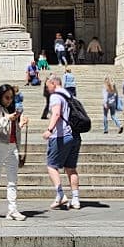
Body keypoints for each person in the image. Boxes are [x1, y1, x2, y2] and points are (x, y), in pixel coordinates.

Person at [0, 84, 27, 221]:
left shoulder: (13, 110)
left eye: (11, 98)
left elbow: (13, 130)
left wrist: (20, 123)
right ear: (0, 96)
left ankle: (12, 210)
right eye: (6, 97)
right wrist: (7, 118)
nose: (9, 100)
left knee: (12, 180)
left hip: (12, 147)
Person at [43, 73, 82, 210]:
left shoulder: (55, 96)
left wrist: (49, 129)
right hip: (74, 135)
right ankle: (76, 199)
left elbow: (56, 113)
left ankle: (60, 195)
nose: (47, 89)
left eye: (48, 86)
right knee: (71, 168)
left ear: (53, 83)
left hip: (61, 135)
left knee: (51, 165)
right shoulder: (69, 94)